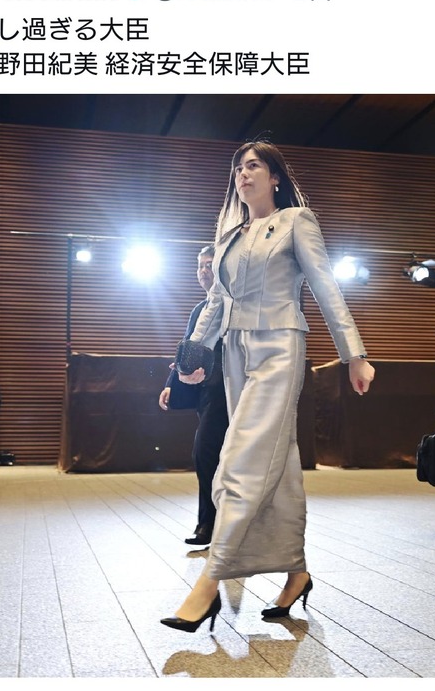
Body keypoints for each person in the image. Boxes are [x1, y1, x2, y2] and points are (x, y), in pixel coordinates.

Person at [160, 139, 374, 633]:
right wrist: (190, 357)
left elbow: (325, 286)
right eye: (238, 167)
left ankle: (209, 584)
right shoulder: (229, 234)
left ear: (275, 176)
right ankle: (297, 573)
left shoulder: (298, 220)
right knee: (277, 465)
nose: (243, 173)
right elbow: (216, 302)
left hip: (280, 347)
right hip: (235, 354)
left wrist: (354, 355)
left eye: (253, 165)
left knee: (239, 461)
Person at [159, 245, 229, 546]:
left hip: (237, 391)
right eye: (199, 265)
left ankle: (224, 526)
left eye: (209, 264)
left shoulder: (238, 305)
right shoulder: (200, 309)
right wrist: (171, 382)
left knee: (224, 458)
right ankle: (208, 524)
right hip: (208, 394)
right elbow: (187, 346)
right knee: (206, 456)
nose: (203, 271)